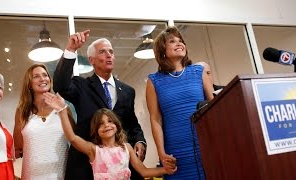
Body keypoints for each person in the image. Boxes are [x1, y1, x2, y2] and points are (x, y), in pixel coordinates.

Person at [53, 30, 147, 180]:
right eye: (103, 52)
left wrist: (140, 141)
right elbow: (60, 86)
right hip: (85, 166)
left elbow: (132, 123)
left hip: (120, 167)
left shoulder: (128, 91)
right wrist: (71, 50)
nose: (109, 55)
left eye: (111, 51)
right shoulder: (81, 85)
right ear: (92, 60)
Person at [43, 92, 177, 179]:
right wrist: (61, 110)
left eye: (110, 121)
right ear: (96, 131)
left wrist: (164, 170)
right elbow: (72, 137)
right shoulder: (94, 150)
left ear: (117, 125)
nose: (106, 125)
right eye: (101, 124)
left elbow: (143, 171)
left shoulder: (127, 148)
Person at [146, 26, 214, 180]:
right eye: (172, 41)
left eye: (181, 41)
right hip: (176, 152)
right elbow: (155, 119)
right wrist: (161, 153)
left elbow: (214, 107)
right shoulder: (153, 81)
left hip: (205, 146)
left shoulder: (198, 72)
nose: (179, 43)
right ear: (162, 50)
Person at [13, 64, 74, 179]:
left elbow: (75, 140)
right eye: (36, 76)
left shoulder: (63, 107)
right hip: (31, 175)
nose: (42, 79)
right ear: (29, 84)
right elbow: (18, 145)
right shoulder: (22, 111)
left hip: (61, 175)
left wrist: (62, 109)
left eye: (45, 75)